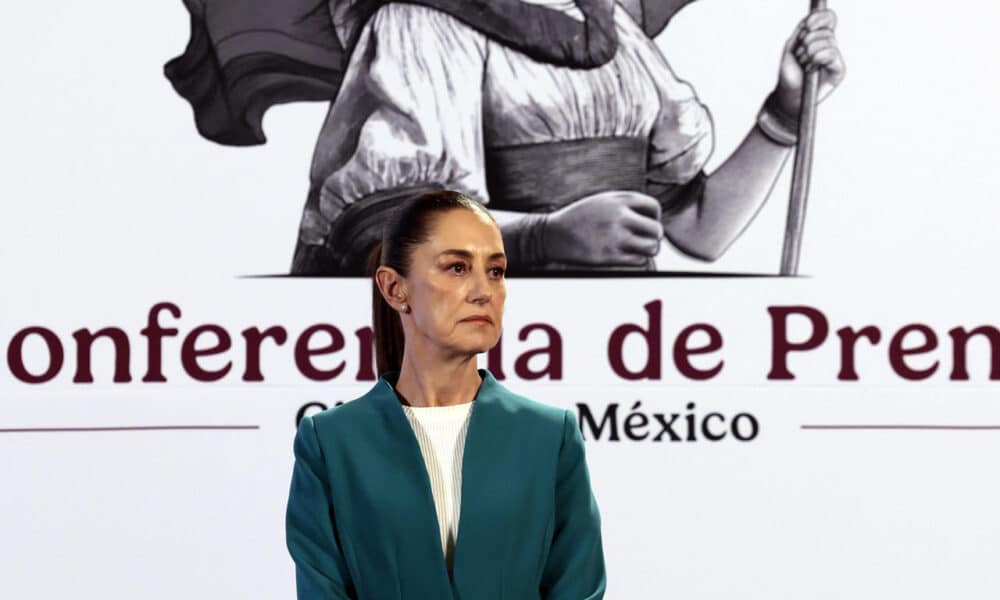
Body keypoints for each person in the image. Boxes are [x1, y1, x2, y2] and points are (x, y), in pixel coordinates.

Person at [285, 190, 607, 599]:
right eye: (457, 267)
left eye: (496, 270)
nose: (483, 291)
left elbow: (578, 591)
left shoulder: (551, 437)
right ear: (394, 288)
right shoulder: (329, 444)